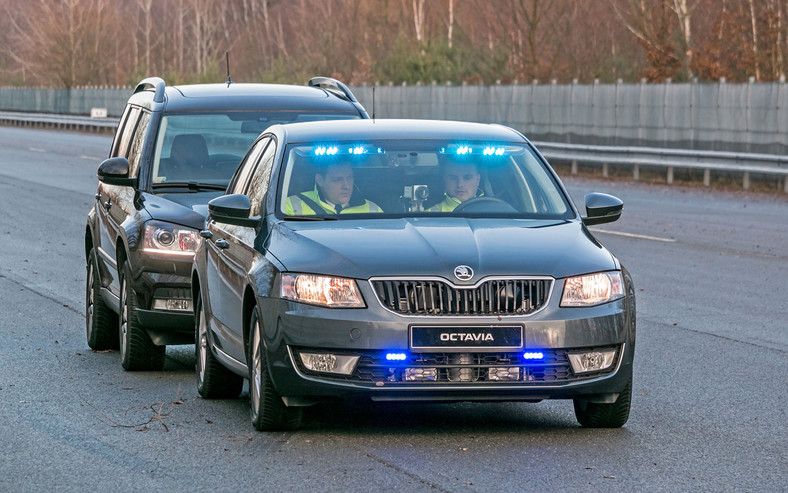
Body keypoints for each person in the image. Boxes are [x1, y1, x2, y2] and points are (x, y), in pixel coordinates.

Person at [285, 162, 382, 215]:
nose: (346, 186)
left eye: (349, 177)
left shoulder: (373, 210)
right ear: (319, 180)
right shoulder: (291, 206)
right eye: (337, 180)